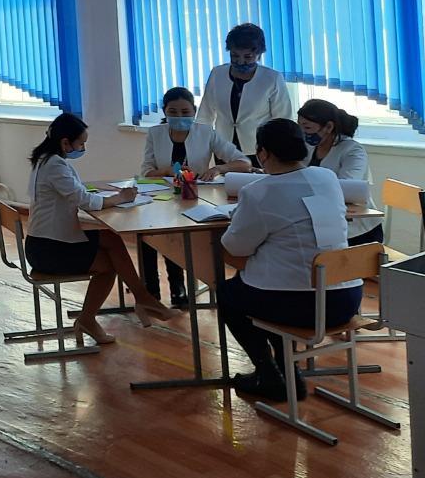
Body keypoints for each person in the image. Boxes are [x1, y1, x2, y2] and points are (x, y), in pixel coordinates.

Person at [217, 119, 362, 402]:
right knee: (265, 286)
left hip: (300, 306)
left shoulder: (258, 192)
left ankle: (269, 374)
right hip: (345, 299)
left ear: (263, 153)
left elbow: (235, 247)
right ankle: (288, 371)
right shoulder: (327, 178)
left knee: (230, 293)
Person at [26, 113, 173, 345]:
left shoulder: (45, 159)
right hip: (49, 250)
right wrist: (120, 198)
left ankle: (143, 297)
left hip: (46, 241)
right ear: (65, 143)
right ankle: (90, 318)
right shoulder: (54, 165)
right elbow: (83, 200)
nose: (83, 148)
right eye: (81, 144)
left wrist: (110, 197)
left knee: (110, 239)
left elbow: (75, 193)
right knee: (108, 266)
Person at [141, 86, 252, 305]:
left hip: (194, 198)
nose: (179, 117)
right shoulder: (155, 133)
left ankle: (178, 289)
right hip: (163, 198)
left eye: (185, 112)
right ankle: (150, 293)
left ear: (194, 110)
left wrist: (219, 168)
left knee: (178, 238)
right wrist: (167, 171)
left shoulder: (206, 132)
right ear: (164, 111)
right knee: (148, 235)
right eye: (173, 112)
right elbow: (146, 172)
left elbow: (244, 163)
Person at [196, 23, 294, 166]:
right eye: (235, 55)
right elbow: (205, 113)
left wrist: (278, 149)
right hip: (224, 148)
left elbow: (283, 119)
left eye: (248, 56)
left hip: (260, 149)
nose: (241, 61)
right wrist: (199, 144)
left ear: (259, 54)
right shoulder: (217, 74)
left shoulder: (272, 78)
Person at [298, 98, 380, 245]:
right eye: (300, 127)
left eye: (307, 128)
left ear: (328, 127)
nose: (303, 133)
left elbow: (346, 187)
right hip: (322, 221)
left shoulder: (352, 150)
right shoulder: (309, 147)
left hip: (357, 230)